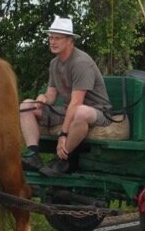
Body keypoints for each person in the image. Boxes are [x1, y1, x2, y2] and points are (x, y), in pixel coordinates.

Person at [19, 17, 114, 176]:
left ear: (70, 41)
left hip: (97, 111)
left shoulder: (81, 63)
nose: (52, 41)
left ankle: (61, 159)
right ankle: (33, 155)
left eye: (57, 38)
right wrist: (42, 98)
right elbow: (51, 95)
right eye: (50, 37)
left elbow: (76, 103)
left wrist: (63, 134)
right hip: (69, 109)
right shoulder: (54, 64)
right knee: (26, 105)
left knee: (81, 112)